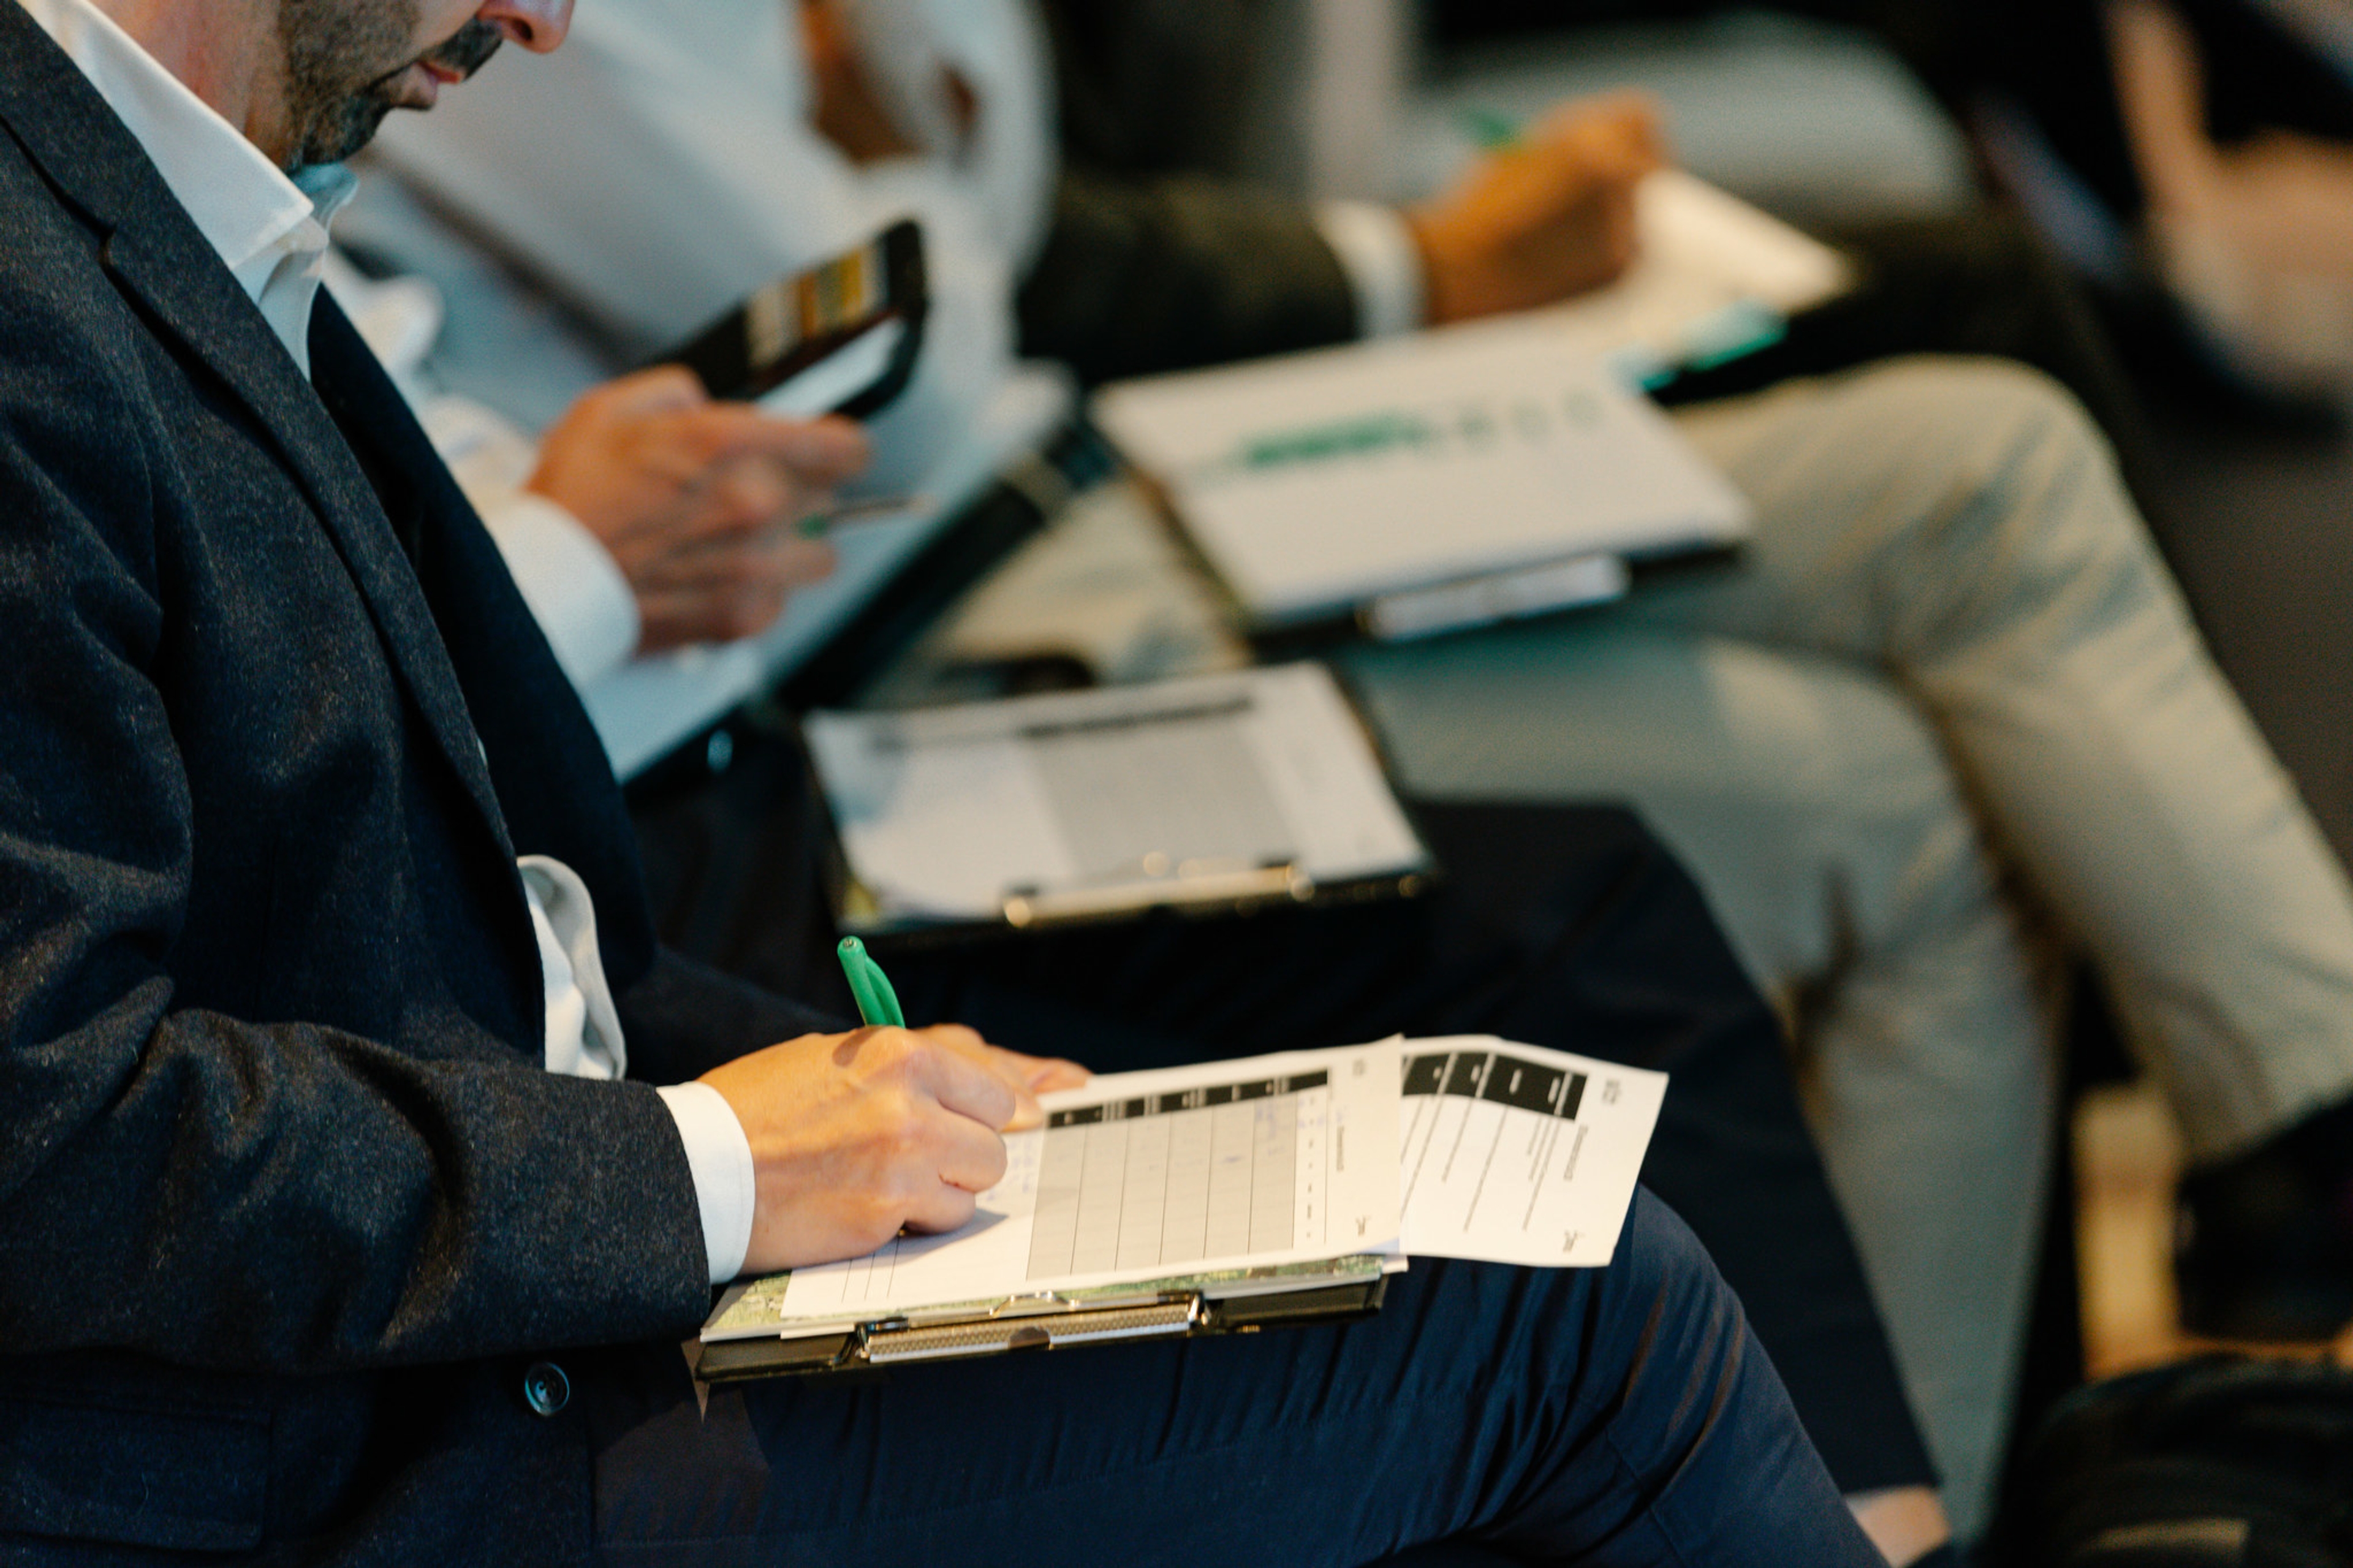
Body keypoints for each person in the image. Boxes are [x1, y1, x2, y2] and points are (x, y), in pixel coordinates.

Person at [359, 0, 2353, 1534]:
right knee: (1855, 806)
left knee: (1978, 456)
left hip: (1041, 479)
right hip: (867, 630)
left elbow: (997, 236)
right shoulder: (402, 82)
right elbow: (933, 320)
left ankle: (2250, 1222)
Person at [0, 0, 1905, 1562]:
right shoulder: (41, 286)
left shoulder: (181, 208)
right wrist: (722, 1167)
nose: (544, 22)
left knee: (1476, 1188)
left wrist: (955, 1124)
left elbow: (477, 963)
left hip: (512, 1325)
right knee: (1572, 1307)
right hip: (357, 1471)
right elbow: (49, 1133)